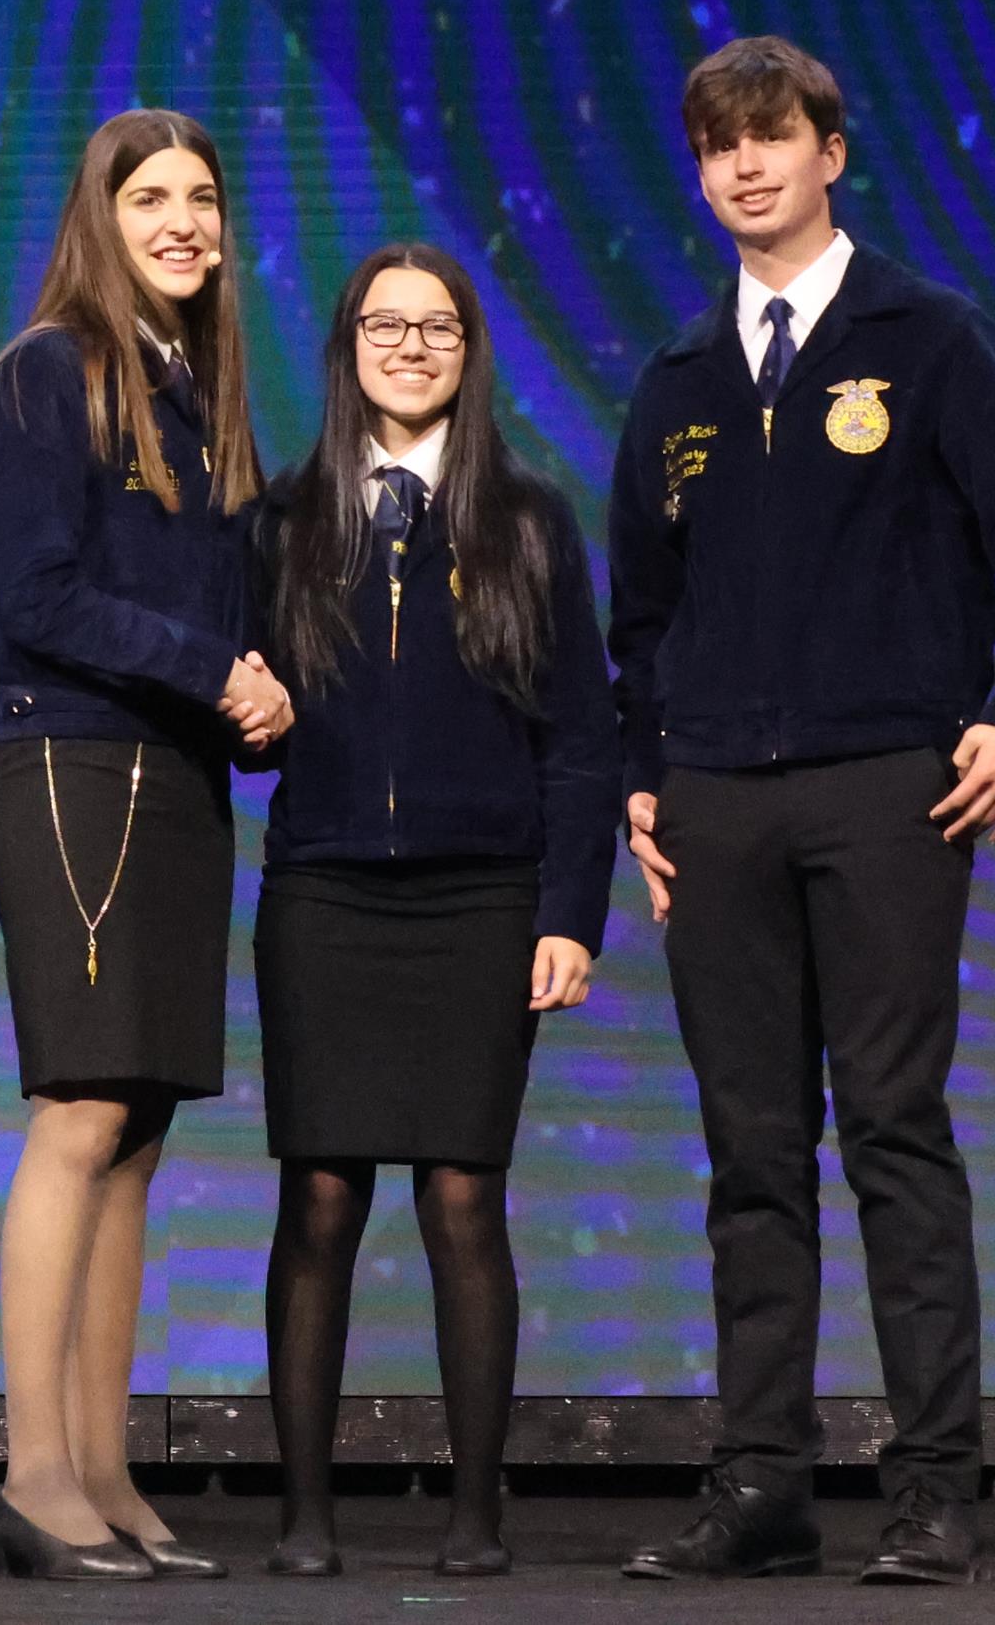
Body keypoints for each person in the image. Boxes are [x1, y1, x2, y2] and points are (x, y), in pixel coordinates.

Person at [608, 36, 995, 1584]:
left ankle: (934, 1488)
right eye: (720, 146)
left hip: (892, 789)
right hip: (718, 804)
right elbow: (641, 618)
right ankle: (761, 1482)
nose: (747, 166)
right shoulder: (680, 379)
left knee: (894, 1130)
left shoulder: (929, 338)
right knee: (751, 1151)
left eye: (773, 136)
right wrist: (644, 775)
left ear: (832, 152)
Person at [245, 243, 618, 1578]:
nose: (411, 347)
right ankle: (303, 1516)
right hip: (324, 893)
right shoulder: (284, 521)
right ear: (347, 346)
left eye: (438, 326)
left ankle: (475, 1517)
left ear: (470, 350)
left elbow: (582, 739)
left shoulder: (529, 520)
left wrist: (570, 912)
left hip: (481, 898)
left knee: (465, 1197)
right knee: (320, 1196)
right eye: (385, 325)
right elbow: (239, 706)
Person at [0, 108, 292, 1581]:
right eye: (149, 195)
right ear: (98, 217)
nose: (181, 221)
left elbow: (221, 609)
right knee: (81, 1110)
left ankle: (103, 1468)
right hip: (76, 765)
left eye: (202, 197)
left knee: (137, 1138)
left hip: (176, 779)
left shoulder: (198, 395)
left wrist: (259, 693)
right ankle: (35, 1476)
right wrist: (216, 669)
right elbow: (38, 595)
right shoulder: (48, 374)